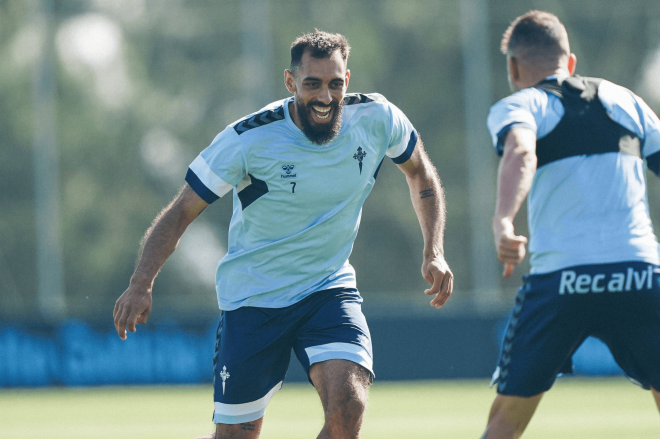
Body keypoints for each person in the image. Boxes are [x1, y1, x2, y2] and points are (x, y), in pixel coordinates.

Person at [113, 30, 453, 439]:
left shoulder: (379, 119)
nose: (325, 97)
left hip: (327, 288)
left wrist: (434, 250)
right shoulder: (249, 139)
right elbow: (181, 211)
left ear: (348, 79)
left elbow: (420, 171)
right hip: (254, 299)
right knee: (237, 435)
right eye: (312, 84)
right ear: (291, 83)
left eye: (335, 83)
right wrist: (140, 283)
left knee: (349, 406)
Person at [481, 10, 660, 438]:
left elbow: (522, 153)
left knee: (506, 419)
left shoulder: (520, 104)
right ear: (571, 61)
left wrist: (504, 221)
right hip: (638, 274)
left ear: (513, 66)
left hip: (562, 280)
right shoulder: (628, 101)